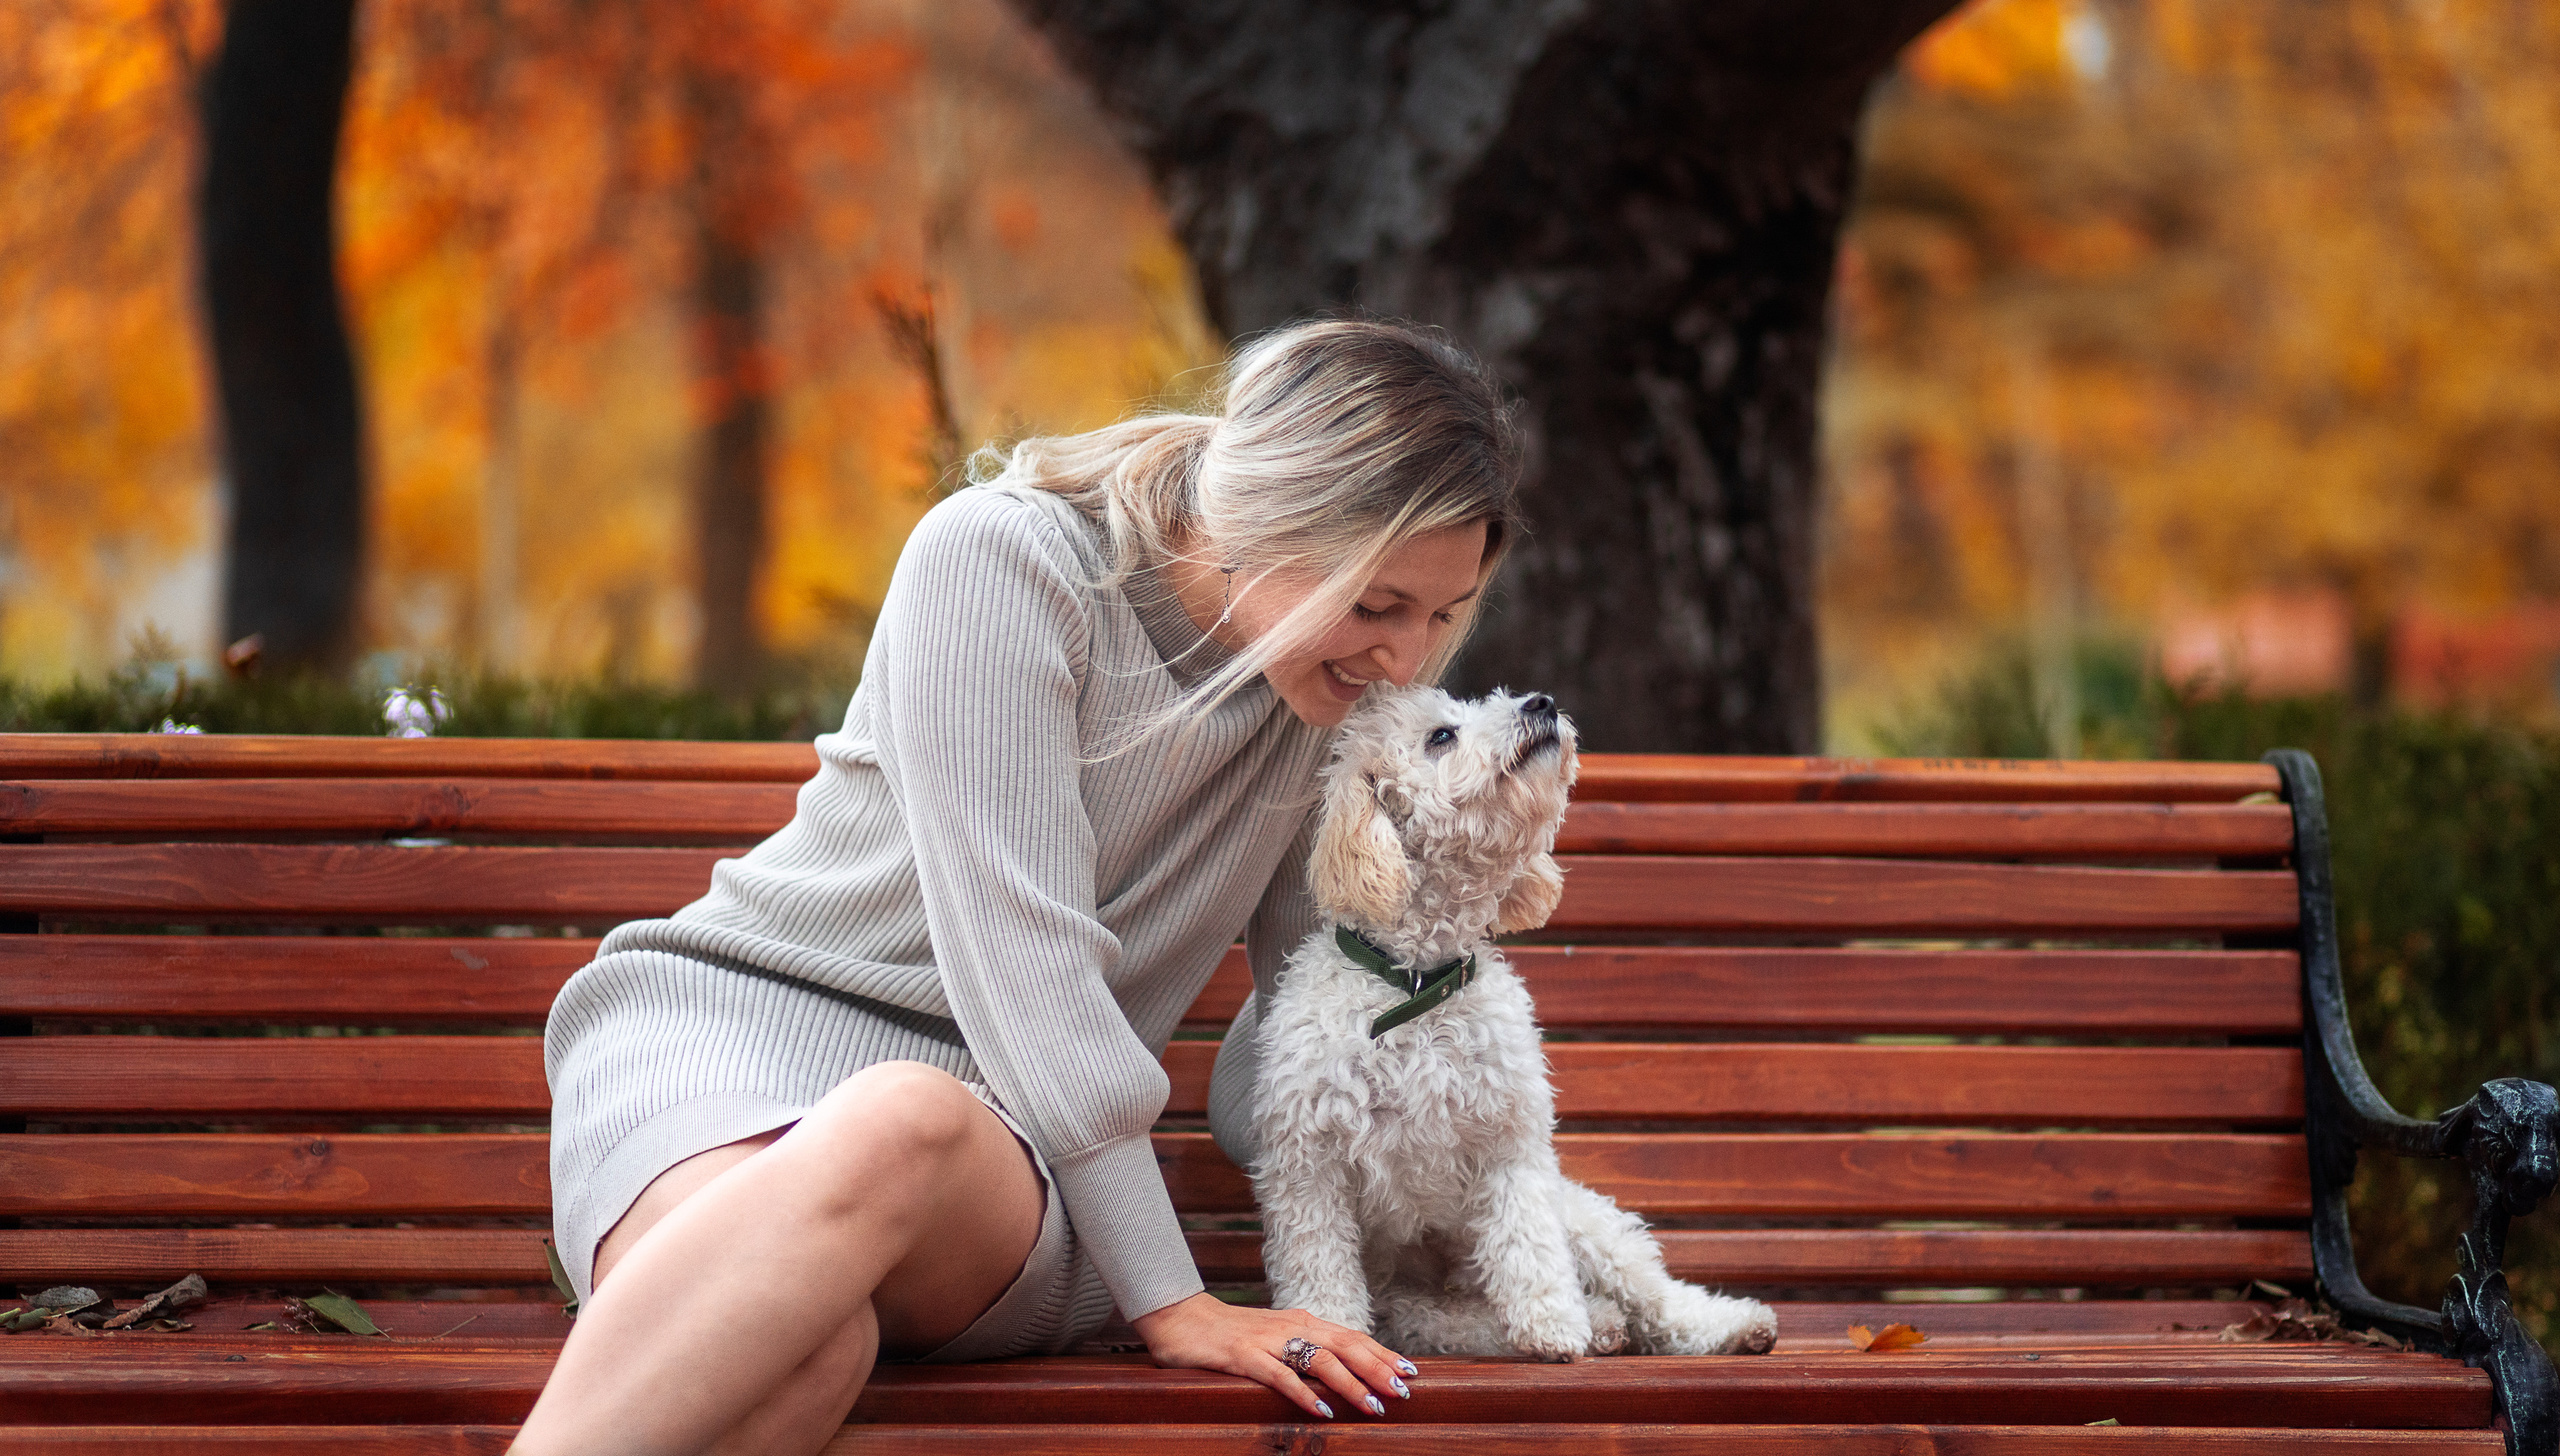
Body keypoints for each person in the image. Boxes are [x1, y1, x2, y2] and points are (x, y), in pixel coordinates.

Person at [513, 317, 1525, 1456]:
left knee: (903, 1127)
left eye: (1441, 616)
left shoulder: (1326, 696)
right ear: (1264, 520)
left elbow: (1309, 1024)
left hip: (1004, 1161)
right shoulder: (1007, 560)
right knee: (812, 1344)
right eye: (1376, 603)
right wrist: (1172, 1302)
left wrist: (1427, 1007)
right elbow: (1024, 961)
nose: (1402, 660)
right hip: (730, 1042)